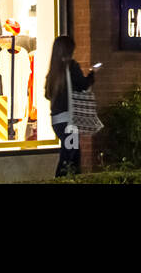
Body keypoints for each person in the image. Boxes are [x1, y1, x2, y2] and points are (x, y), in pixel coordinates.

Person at [44, 34, 96, 177]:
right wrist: (92, 74)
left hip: (57, 121)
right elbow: (83, 85)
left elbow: (47, 95)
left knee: (72, 153)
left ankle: (71, 178)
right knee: (68, 157)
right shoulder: (71, 66)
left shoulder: (53, 70)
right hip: (69, 122)